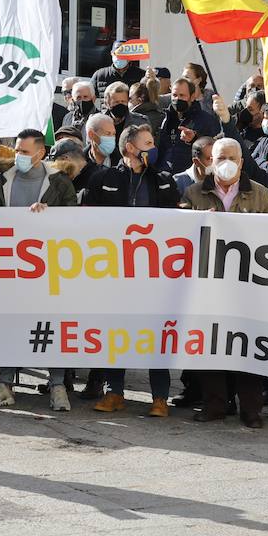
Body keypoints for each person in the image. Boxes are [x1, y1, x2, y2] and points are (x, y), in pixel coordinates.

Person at [0, 129, 79, 410]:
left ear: (40, 153)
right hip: (11, 269)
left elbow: (76, 220)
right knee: (10, 324)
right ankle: (5, 385)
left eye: (24, 151)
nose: (18, 156)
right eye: (17, 151)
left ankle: (58, 386)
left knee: (52, 326)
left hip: (50, 269)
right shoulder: (3, 179)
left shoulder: (59, 183)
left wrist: (51, 214)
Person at [185, 138, 268, 426]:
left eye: (232, 157)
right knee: (211, 346)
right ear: (210, 161)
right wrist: (197, 220)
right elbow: (181, 235)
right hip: (208, 285)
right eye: (220, 157)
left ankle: (251, 409)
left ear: (242, 161)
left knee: (246, 346)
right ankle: (215, 405)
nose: (226, 162)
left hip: (248, 285)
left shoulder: (260, 194)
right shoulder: (194, 193)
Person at [89, 124, 177, 417]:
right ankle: (114, 392)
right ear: (130, 147)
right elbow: (84, 220)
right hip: (115, 270)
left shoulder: (163, 180)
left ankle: (160, 397)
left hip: (155, 272)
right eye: (148, 142)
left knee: (157, 333)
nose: (153, 147)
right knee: (117, 331)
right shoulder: (104, 178)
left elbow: (179, 219)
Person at [159, 78, 222, 175]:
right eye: (174, 95)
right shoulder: (165, 118)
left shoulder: (207, 121)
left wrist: (194, 139)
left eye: (182, 95)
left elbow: (215, 149)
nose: (177, 99)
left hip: (190, 178)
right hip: (164, 176)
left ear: (192, 97)